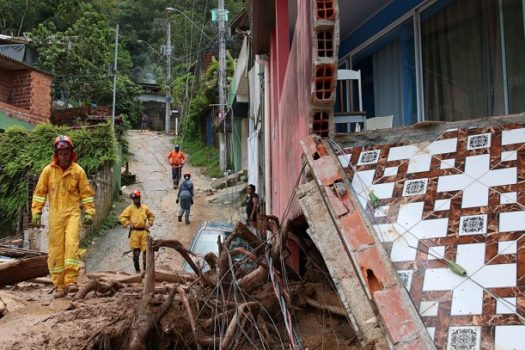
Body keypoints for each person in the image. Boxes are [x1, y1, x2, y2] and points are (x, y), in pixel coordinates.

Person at [31, 135, 95, 298]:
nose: (64, 156)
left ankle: (71, 281)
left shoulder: (78, 171)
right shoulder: (48, 171)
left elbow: (86, 194)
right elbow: (39, 193)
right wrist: (36, 211)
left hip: (72, 213)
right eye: (61, 153)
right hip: (55, 216)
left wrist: (88, 211)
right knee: (55, 250)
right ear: (56, 154)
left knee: (72, 245)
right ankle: (59, 285)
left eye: (66, 152)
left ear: (71, 153)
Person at [119, 190, 155, 273]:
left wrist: (150, 223)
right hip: (134, 233)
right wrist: (128, 223)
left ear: (139, 198)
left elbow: (151, 215)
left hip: (144, 232)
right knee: (136, 254)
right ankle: (137, 271)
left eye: (136, 199)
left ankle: (146, 271)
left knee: (146, 253)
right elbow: (122, 217)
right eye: (133, 199)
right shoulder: (130, 208)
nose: (135, 200)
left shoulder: (145, 208)